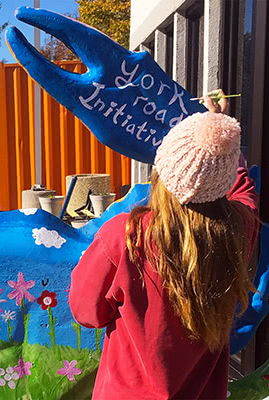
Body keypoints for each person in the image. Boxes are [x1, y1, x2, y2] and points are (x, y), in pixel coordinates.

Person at [69, 92, 259, 399]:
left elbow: (86, 312)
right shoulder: (237, 229)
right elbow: (243, 194)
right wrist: (221, 137)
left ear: (163, 171)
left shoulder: (126, 236)